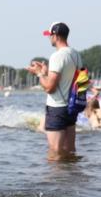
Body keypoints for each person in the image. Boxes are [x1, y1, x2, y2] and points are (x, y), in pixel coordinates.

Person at [27, 22, 84, 160]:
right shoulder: (76, 54)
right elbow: (74, 80)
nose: (49, 38)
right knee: (70, 150)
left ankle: (56, 181)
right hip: (71, 107)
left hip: (57, 108)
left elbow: (49, 88)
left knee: (55, 152)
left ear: (56, 36)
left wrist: (39, 73)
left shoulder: (57, 56)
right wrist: (47, 72)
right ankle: (70, 179)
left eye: (50, 35)